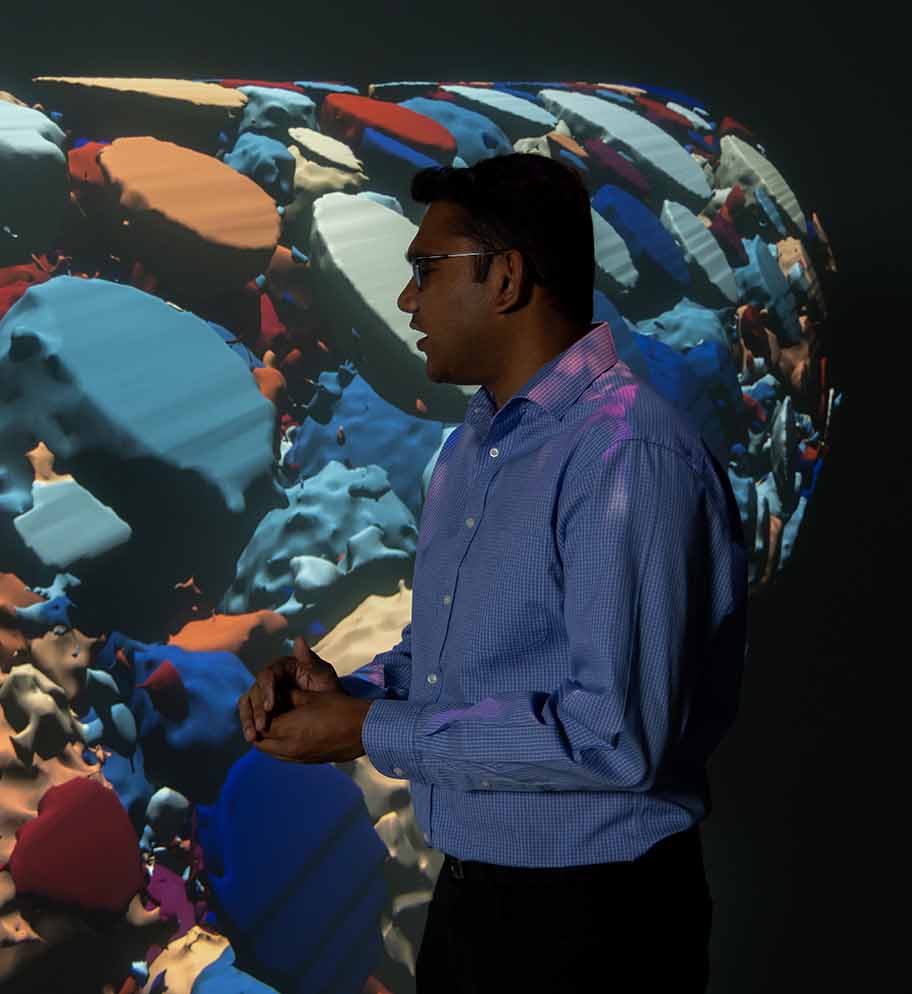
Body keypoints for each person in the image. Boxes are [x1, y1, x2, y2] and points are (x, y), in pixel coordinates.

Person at [237, 153, 747, 993]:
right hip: (480, 900)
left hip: (597, 925)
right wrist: (352, 693)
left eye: (427, 271)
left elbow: (614, 738)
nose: (407, 300)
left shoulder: (625, 455)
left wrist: (368, 733)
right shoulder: (478, 444)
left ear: (507, 278)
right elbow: (470, 660)